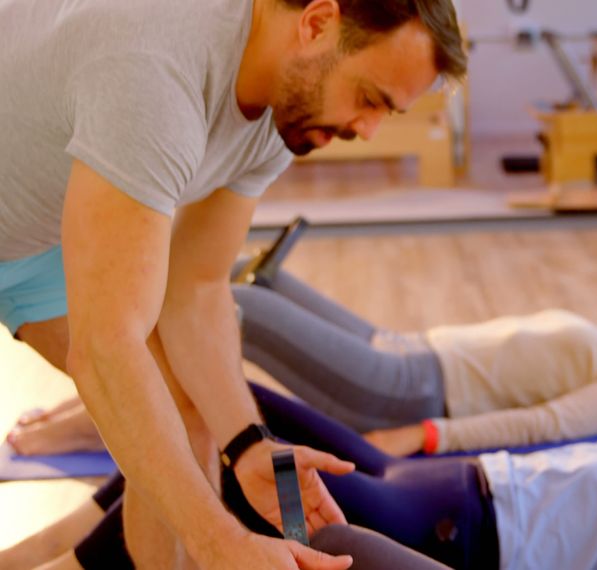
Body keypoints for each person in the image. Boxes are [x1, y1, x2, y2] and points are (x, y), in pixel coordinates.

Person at [0, 0, 467, 566]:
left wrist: (248, 444)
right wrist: (216, 539)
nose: (365, 130)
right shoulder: (155, 72)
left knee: (186, 415)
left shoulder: (284, 106)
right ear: (317, 24)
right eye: (369, 98)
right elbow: (104, 350)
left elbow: (196, 288)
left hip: (27, 229)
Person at [1, 384, 597, 570]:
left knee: (247, 483)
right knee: (234, 405)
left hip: (452, 532)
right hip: (434, 479)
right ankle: (49, 548)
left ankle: (51, 562)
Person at [9, 267, 597, 457]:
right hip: (398, 350)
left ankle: (86, 421)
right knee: (254, 284)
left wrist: (417, 439)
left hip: (401, 392)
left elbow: (541, 425)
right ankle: (91, 412)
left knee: (220, 307)